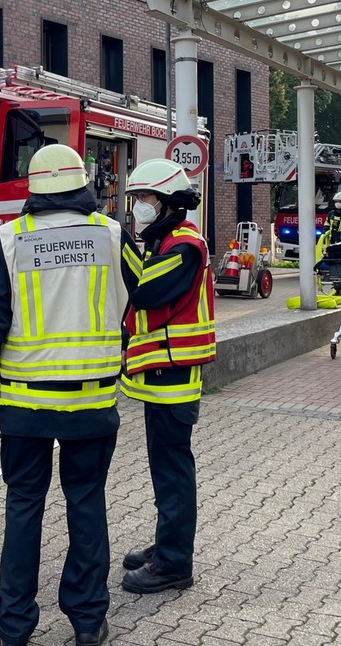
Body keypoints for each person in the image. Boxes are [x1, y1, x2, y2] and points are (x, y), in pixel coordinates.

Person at [0, 143, 141, 646]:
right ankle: (87, 622)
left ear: (33, 188)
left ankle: (16, 626)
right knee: (86, 505)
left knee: (24, 507)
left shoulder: (10, 238)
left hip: (24, 406)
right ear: (83, 183)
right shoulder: (111, 236)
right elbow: (144, 294)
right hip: (91, 403)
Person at [119, 158, 216, 596]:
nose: (137, 208)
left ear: (166, 203)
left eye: (142, 199)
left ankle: (175, 563)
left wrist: (117, 245)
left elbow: (146, 292)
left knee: (173, 469)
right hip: (165, 372)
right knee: (165, 465)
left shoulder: (182, 246)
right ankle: (165, 547)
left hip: (174, 374)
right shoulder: (166, 243)